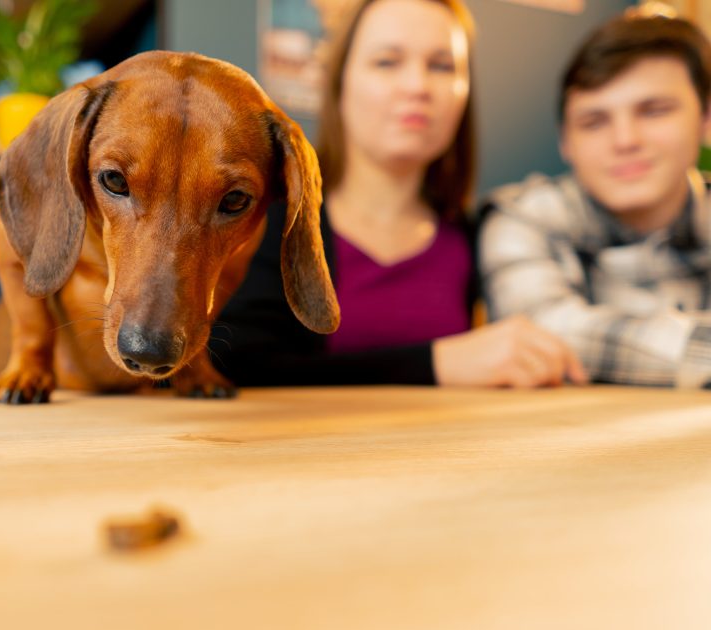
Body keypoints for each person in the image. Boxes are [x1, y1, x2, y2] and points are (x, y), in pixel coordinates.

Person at [213, 0, 586, 388]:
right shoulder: (271, 218)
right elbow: (236, 363)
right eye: (387, 62)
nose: (417, 87)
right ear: (339, 83)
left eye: (442, 66)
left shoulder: (476, 237)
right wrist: (437, 365)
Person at [479, 11, 711, 388]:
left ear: (705, 118)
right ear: (565, 142)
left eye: (653, 111)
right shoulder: (522, 217)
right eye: (594, 122)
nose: (625, 140)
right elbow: (544, 333)